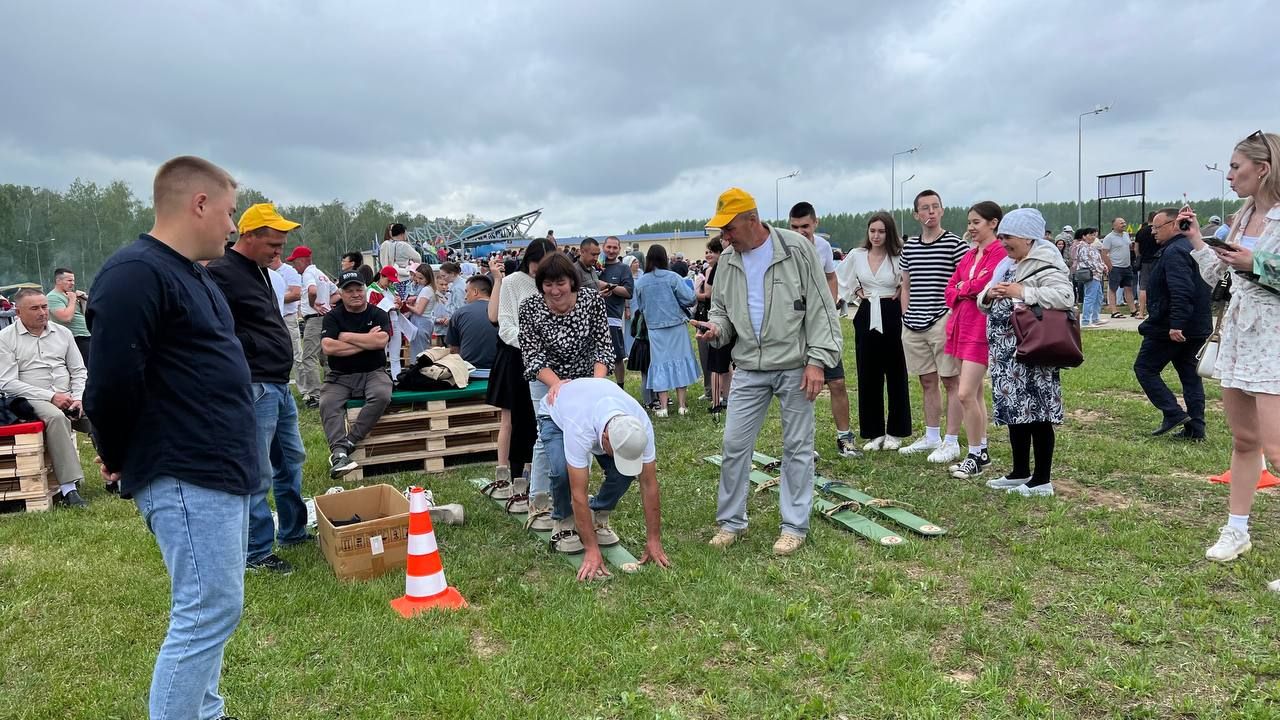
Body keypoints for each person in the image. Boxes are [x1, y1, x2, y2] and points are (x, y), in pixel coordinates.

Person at [85, 156, 254, 720]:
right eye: (230, 213)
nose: (233, 228)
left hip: (216, 466)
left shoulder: (193, 273)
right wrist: (114, 452)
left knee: (215, 610)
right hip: (184, 468)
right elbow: (110, 382)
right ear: (198, 204)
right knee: (206, 611)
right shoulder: (136, 273)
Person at [696, 188, 841, 556]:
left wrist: (817, 361)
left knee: (798, 447)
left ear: (752, 220)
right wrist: (716, 331)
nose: (725, 237)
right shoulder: (727, 261)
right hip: (748, 367)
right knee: (733, 445)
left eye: (729, 229)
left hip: (796, 366)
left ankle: (794, 526)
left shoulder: (796, 248)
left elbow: (821, 308)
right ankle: (731, 522)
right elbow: (722, 313)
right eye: (722, 231)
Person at [1182, 132, 1280, 572]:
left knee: (1277, 449)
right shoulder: (1241, 218)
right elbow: (1222, 277)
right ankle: (1236, 529)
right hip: (1240, 334)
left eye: (1236, 166)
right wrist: (1200, 245)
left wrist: (1254, 263)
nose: (1229, 175)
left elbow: (1256, 270)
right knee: (1245, 441)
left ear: (1263, 168)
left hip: (1275, 337)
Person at [208, 202, 308, 575]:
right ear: (248, 236)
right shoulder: (220, 272)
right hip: (254, 384)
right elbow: (217, 330)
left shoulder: (260, 271)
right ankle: (256, 552)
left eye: (281, 246)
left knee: (291, 459)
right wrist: (249, 352)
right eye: (273, 246)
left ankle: (294, 531)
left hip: (278, 384)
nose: (278, 254)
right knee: (258, 470)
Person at [976, 208, 1075, 497]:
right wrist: (989, 294)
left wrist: (1023, 292)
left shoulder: (1046, 263)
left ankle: (1042, 479)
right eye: (1002, 236)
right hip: (1008, 353)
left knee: (1038, 413)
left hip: (1034, 351)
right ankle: (1020, 471)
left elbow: (1065, 297)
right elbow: (987, 295)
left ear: (1028, 237)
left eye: (1009, 237)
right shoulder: (1008, 264)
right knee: (1015, 412)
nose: (1003, 242)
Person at [517, 252, 616, 527]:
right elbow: (532, 355)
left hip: (587, 376)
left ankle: (583, 497)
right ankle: (539, 501)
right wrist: (556, 383)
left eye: (560, 283)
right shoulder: (529, 308)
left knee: (588, 430)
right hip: (546, 376)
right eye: (547, 285)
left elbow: (603, 346)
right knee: (546, 434)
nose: (555, 290)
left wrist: (596, 385)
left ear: (571, 282)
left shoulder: (591, 300)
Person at [538, 377, 670, 579]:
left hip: (596, 406)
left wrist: (654, 539)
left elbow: (649, 483)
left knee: (623, 473)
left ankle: (598, 513)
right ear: (606, 439)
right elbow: (578, 494)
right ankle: (563, 520)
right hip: (556, 415)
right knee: (562, 471)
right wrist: (591, 550)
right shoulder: (579, 427)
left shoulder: (640, 425)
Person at [0, 288, 92, 506]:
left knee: (104, 411)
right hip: (31, 398)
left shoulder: (63, 333)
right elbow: (7, 382)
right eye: (34, 308)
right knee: (56, 418)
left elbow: (79, 370)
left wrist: (78, 397)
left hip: (69, 395)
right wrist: (51, 397)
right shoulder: (5, 338)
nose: (42, 312)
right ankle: (69, 489)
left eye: (44, 306)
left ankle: (116, 476)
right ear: (18, 312)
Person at [897, 190, 968, 463]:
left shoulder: (955, 244)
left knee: (951, 380)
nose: (930, 212)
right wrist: (905, 315)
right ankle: (931, 436)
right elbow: (906, 284)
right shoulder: (910, 246)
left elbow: (963, 282)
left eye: (935, 207)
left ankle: (951, 441)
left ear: (942, 211)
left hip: (942, 319)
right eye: (924, 208)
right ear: (916, 214)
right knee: (926, 381)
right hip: (913, 322)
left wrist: (951, 315)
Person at [485, 239, 554, 516]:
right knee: (511, 418)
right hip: (514, 357)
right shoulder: (514, 282)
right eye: (539, 264)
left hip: (540, 359)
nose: (542, 272)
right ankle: (508, 475)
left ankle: (530, 475)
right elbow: (504, 322)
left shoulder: (547, 284)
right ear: (531, 260)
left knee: (534, 419)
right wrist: (532, 343)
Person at [1132, 208, 1214, 441]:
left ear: (1173, 225)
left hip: (1172, 326)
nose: (1153, 232)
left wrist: (1176, 324)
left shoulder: (1175, 251)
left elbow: (1181, 290)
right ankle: (1196, 429)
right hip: (1196, 325)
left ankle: (1173, 413)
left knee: (1145, 368)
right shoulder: (1192, 248)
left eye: (1156, 228)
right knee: (1190, 376)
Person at [943, 201, 1008, 480]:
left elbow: (985, 286)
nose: (971, 228)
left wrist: (964, 289)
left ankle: (974, 453)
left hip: (980, 328)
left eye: (976, 222)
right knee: (975, 393)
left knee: (965, 393)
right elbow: (950, 289)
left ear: (993, 223)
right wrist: (963, 289)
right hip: (961, 325)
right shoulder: (970, 255)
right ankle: (980, 450)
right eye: (969, 222)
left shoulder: (1000, 253)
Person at [837, 212, 911, 450]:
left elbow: (909, 281)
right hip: (867, 312)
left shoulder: (899, 256)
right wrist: (855, 293)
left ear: (889, 233)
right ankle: (874, 432)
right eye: (873, 231)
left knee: (896, 372)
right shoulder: (858, 256)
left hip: (892, 313)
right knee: (868, 374)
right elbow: (840, 280)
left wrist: (902, 291)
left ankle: (896, 432)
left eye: (881, 231)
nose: (876, 236)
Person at [789, 202, 858, 456]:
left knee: (837, 381)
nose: (800, 231)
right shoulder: (785, 248)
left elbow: (831, 276)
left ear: (815, 224)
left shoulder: (824, 247)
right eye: (794, 227)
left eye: (805, 226)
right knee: (801, 386)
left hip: (822, 326)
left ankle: (845, 438)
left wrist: (830, 307)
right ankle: (805, 444)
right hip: (795, 328)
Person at [319, 271, 393, 479]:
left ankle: (350, 441)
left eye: (359, 289)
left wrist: (347, 336)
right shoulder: (332, 317)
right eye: (349, 290)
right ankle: (338, 453)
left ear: (365, 290)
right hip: (340, 375)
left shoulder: (377, 313)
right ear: (341, 293)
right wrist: (365, 341)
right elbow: (329, 347)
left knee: (382, 394)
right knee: (327, 403)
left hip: (373, 371)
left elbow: (380, 342)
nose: (355, 294)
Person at [633, 244, 700, 417]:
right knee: (680, 361)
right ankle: (682, 405)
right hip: (676, 325)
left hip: (655, 329)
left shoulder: (641, 282)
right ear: (664, 258)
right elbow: (690, 298)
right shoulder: (673, 277)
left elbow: (640, 306)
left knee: (659, 364)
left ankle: (663, 407)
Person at [288, 245, 333, 408]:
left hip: (314, 319)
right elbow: (336, 293)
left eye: (295, 262)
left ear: (302, 261)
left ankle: (316, 395)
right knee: (325, 356)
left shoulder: (308, 274)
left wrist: (315, 305)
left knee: (309, 357)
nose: (294, 266)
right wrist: (327, 306)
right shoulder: (321, 274)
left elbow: (312, 291)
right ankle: (332, 391)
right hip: (325, 318)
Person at [696, 238, 732, 411]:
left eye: (712, 251)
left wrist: (695, 293)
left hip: (716, 320)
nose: (708, 254)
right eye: (707, 251)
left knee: (716, 364)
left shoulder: (718, 268)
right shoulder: (718, 267)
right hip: (721, 319)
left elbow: (709, 294)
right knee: (725, 364)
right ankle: (725, 397)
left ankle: (717, 401)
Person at [597, 236, 634, 387]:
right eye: (608, 247)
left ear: (619, 249)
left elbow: (628, 292)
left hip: (612, 318)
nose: (611, 251)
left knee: (617, 356)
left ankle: (620, 387)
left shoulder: (623, 268)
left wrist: (606, 285)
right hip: (592, 319)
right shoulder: (595, 267)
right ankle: (599, 387)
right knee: (596, 357)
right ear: (603, 247)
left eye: (615, 248)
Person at [446, 275, 499, 369]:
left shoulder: (459, 313)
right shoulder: (503, 312)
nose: (465, 297)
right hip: (500, 370)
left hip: (469, 371)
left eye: (466, 292)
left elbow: (454, 350)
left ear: (475, 292)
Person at [47, 268, 92, 368]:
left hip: (86, 335)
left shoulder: (70, 295)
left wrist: (83, 300)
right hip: (75, 338)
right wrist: (72, 300)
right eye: (69, 280)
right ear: (58, 281)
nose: (72, 283)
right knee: (85, 368)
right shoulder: (53, 297)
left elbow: (83, 315)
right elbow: (66, 317)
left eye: (73, 280)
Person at [1071, 228, 1108, 327]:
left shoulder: (1091, 247)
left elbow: (1098, 259)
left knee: (1098, 296)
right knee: (1090, 297)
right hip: (1092, 274)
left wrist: (1103, 266)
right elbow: (1088, 261)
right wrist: (1100, 268)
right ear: (1084, 236)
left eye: (1094, 235)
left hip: (1097, 274)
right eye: (1091, 235)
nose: (1093, 237)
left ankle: (1095, 318)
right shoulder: (1082, 247)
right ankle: (1086, 320)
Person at [1101, 217, 1137, 318]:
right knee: (1113, 289)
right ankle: (1114, 311)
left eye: (1124, 222)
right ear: (1114, 226)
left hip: (1127, 266)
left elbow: (1129, 247)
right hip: (1116, 267)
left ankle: (1133, 310)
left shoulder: (1126, 235)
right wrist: (1110, 267)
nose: (1124, 224)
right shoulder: (1109, 238)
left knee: (1128, 288)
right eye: (1121, 223)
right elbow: (1104, 253)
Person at [271, 255, 303, 364]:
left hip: (287, 317)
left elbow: (296, 294)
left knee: (296, 354)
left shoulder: (289, 271)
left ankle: (301, 381)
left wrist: (272, 299)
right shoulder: (264, 271)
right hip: (272, 318)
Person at [402, 262, 437, 359]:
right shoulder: (429, 289)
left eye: (421, 278)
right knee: (422, 351)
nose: (418, 280)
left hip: (421, 323)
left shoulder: (426, 290)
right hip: (425, 322)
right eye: (417, 277)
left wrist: (406, 305)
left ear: (428, 278)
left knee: (419, 354)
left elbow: (419, 311)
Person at [1135, 212, 1158, 318]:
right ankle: (1153, 311)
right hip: (1157, 260)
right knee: (1156, 286)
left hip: (1145, 261)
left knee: (1143, 287)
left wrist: (1139, 257)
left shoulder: (1141, 232)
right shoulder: (1158, 230)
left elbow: (1136, 249)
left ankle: (1141, 312)